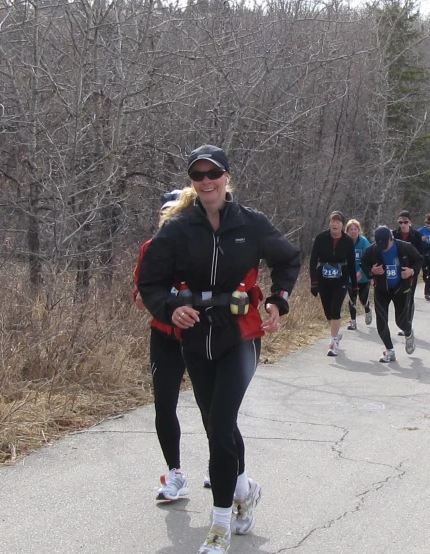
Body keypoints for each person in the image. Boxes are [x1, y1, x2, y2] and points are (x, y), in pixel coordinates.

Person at [138, 144, 301, 554]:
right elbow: (150, 282)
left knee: (223, 421)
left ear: (227, 176)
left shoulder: (251, 222)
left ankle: (220, 522)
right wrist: (170, 308)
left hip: (240, 334)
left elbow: (288, 259)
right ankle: (245, 489)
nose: (207, 181)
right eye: (198, 175)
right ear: (192, 182)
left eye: (214, 173)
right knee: (216, 425)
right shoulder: (177, 228)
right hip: (196, 336)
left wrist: (277, 300)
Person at [134, 193, 199, 502]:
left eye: (175, 215)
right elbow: (140, 295)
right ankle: (175, 473)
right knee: (164, 403)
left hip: (201, 336)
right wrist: (156, 299)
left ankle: (221, 465)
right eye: (164, 215)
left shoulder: (201, 248)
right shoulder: (150, 249)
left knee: (212, 406)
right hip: (164, 336)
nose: (168, 221)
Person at [360, 227, 423, 362]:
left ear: (391, 238)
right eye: (379, 245)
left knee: (400, 321)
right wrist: (372, 271)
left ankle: (408, 332)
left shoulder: (405, 247)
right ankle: (389, 350)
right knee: (381, 321)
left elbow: (419, 260)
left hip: (401, 289)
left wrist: (411, 271)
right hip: (382, 289)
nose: (383, 248)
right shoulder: (373, 250)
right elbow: (363, 263)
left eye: (385, 245)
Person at [309, 211, 357, 356]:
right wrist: (313, 282)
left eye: (338, 222)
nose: (334, 224)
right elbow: (312, 261)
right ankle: (335, 332)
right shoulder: (321, 238)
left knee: (336, 309)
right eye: (332, 221)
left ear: (342, 225)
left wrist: (354, 285)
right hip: (323, 276)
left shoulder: (348, 241)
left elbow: (352, 264)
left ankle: (333, 342)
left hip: (341, 277)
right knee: (328, 313)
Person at [392, 210, 424, 335]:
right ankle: (402, 323)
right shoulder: (393, 235)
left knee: (409, 298)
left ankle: (408, 325)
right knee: (400, 298)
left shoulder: (416, 236)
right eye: (400, 222)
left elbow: (420, 257)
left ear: (410, 222)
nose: (403, 224)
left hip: (410, 271)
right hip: (396, 270)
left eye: (405, 222)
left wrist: (414, 270)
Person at [345, 219, 372, 330]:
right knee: (352, 299)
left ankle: (367, 309)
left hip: (363, 276)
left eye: (355, 229)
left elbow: (368, 258)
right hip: (350, 277)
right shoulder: (345, 242)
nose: (353, 231)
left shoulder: (364, 242)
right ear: (347, 231)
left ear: (359, 230)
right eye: (351, 229)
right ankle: (353, 322)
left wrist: (361, 272)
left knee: (362, 298)